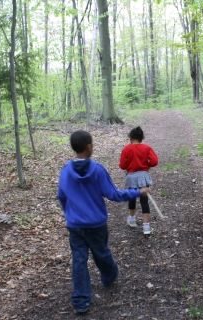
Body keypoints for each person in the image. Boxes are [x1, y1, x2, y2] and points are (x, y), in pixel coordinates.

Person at [57, 130, 150, 314]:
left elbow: (61, 196)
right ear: (89, 147)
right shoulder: (97, 170)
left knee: (79, 260)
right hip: (96, 224)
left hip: (75, 225)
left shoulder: (66, 171)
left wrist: (69, 214)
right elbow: (113, 194)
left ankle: (81, 301)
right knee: (101, 252)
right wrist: (138, 192)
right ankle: (109, 275)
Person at [119, 126, 158, 235]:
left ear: (130, 138)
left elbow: (122, 165)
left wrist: (129, 166)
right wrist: (146, 165)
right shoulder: (146, 148)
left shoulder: (126, 149)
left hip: (131, 176)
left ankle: (132, 220)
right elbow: (154, 161)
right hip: (143, 176)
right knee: (144, 200)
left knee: (132, 196)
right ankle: (146, 227)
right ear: (142, 138)